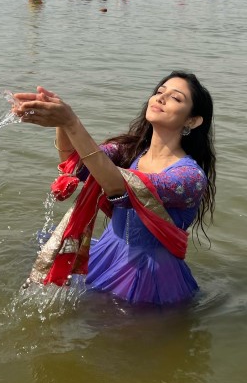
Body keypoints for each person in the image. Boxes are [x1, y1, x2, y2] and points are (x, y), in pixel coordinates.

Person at [12, 71, 216, 306]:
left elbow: (119, 188)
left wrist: (71, 122)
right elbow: (77, 165)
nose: (160, 98)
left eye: (175, 98)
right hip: (109, 250)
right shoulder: (128, 150)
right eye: (159, 92)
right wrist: (62, 123)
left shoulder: (189, 177)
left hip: (149, 273)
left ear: (192, 121)